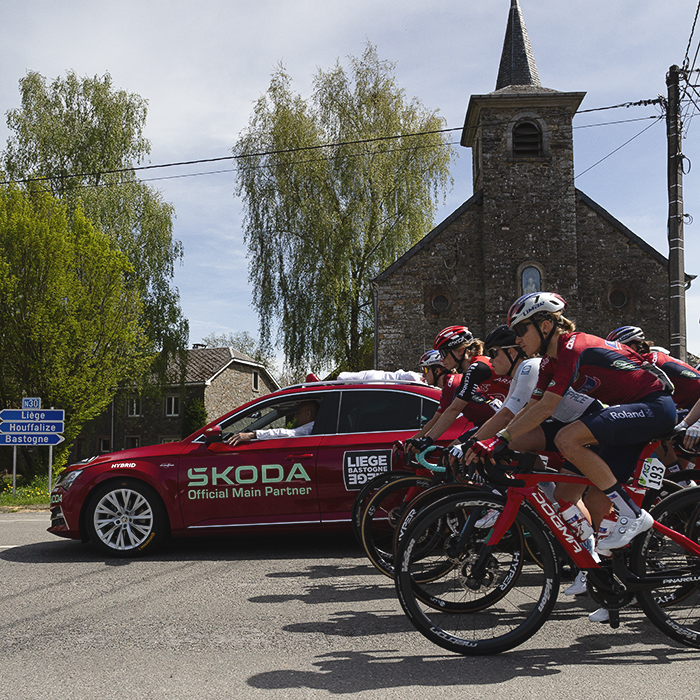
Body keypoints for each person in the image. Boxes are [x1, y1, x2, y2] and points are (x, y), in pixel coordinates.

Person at [472, 293, 676, 557]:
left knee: (566, 438)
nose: (517, 338)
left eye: (521, 329)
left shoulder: (572, 347)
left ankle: (632, 514)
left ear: (545, 325)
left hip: (654, 407)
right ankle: (612, 572)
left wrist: (501, 439)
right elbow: (532, 407)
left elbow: (547, 407)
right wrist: (500, 438)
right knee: (593, 499)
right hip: (631, 413)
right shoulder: (548, 361)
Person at [226, 400, 319, 445]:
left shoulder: (310, 428)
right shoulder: (313, 428)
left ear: (308, 414)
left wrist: (253, 435)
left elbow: (286, 433)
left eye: (298, 413)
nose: (295, 416)